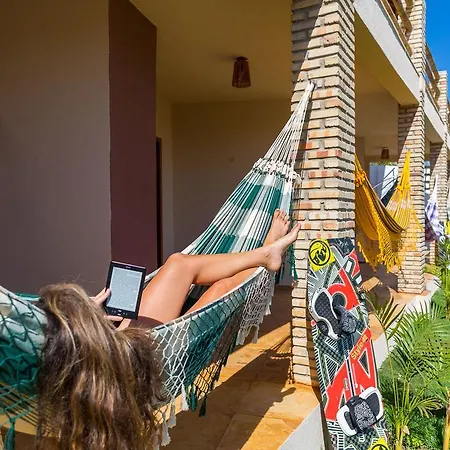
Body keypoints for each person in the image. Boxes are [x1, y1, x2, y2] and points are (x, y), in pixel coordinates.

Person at [35, 211, 299, 449]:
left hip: (110, 350)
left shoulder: (24, 349)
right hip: (129, 361)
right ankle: (265, 253)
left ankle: (265, 254)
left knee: (213, 285)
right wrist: (86, 321)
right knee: (182, 267)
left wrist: (88, 316)